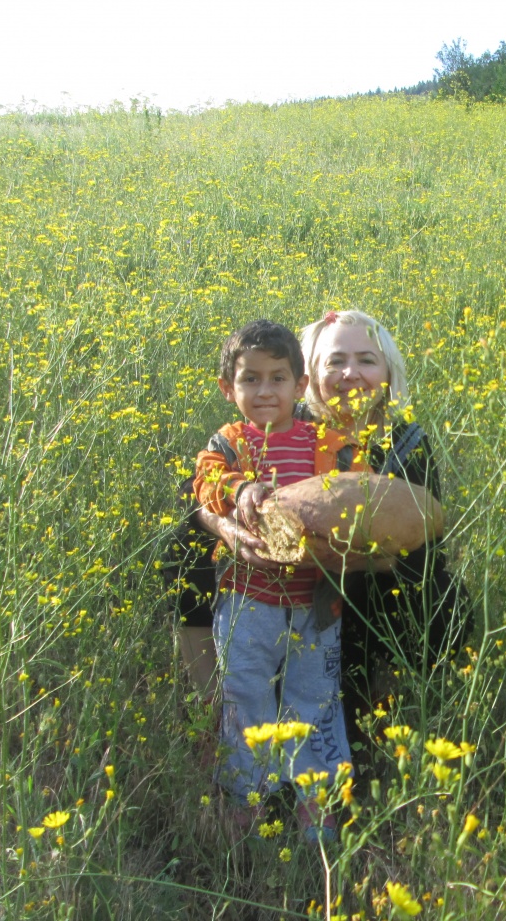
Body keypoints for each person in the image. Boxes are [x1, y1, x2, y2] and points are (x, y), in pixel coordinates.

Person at [161, 310, 470, 754]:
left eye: (366, 360)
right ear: (310, 375)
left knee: (440, 598)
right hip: (262, 581)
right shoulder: (285, 413)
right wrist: (228, 529)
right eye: (335, 361)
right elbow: (196, 490)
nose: (350, 374)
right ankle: (212, 705)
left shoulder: (406, 441)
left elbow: (425, 543)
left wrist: (343, 559)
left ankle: (372, 701)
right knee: (184, 544)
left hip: (357, 587)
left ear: (387, 372)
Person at [192, 318, 351, 843]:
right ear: (227, 388)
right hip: (247, 601)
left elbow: (356, 490)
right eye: (250, 379)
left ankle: (315, 799)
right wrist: (239, 490)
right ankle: (247, 797)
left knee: (315, 699)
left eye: (278, 378)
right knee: (245, 698)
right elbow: (205, 481)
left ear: (300, 385)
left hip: (315, 604)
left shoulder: (325, 441)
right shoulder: (229, 443)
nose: (265, 391)